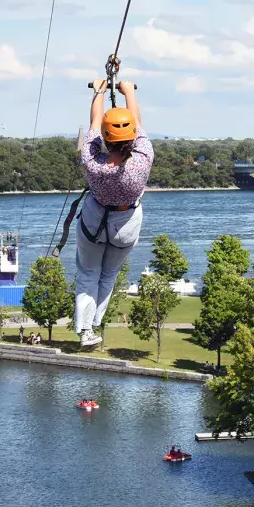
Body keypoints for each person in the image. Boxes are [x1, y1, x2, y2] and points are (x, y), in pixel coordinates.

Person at [74, 76, 152, 348]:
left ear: (108, 139)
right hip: (126, 222)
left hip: (94, 220)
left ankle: (85, 330)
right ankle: (96, 322)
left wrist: (99, 92)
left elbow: (95, 124)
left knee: (88, 274)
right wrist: (129, 92)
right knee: (108, 275)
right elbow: (137, 123)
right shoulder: (143, 159)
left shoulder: (93, 161)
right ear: (131, 139)